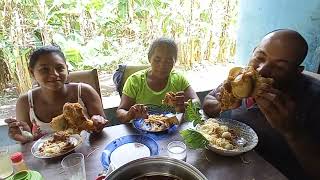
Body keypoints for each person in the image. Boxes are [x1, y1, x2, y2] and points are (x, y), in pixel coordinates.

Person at [203, 29, 320, 180]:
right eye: (260, 57)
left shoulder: (314, 99)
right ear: (253, 52)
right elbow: (208, 101)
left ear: (297, 72)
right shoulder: (241, 78)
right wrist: (224, 105)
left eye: (280, 67)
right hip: (234, 166)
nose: (262, 70)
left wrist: (292, 132)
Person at [5, 45, 108, 143]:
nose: (54, 74)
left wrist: (97, 123)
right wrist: (24, 137)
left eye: (59, 68)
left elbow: (102, 130)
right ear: (32, 72)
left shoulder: (85, 92)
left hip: (85, 155)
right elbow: (27, 141)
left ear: (66, 69)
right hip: (47, 159)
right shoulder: (25, 102)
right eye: (44, 69)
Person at [116, 38, 199, 123]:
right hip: (142, 131)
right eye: (157, 60)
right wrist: (129, 115)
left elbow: (196, 102)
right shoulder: (135, 81)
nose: (162, 65)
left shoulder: (178, 79)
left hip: (171, 129)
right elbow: (120, 112)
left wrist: (183, 106)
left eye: (169, 60)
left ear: (175, 62)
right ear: (149, 59)